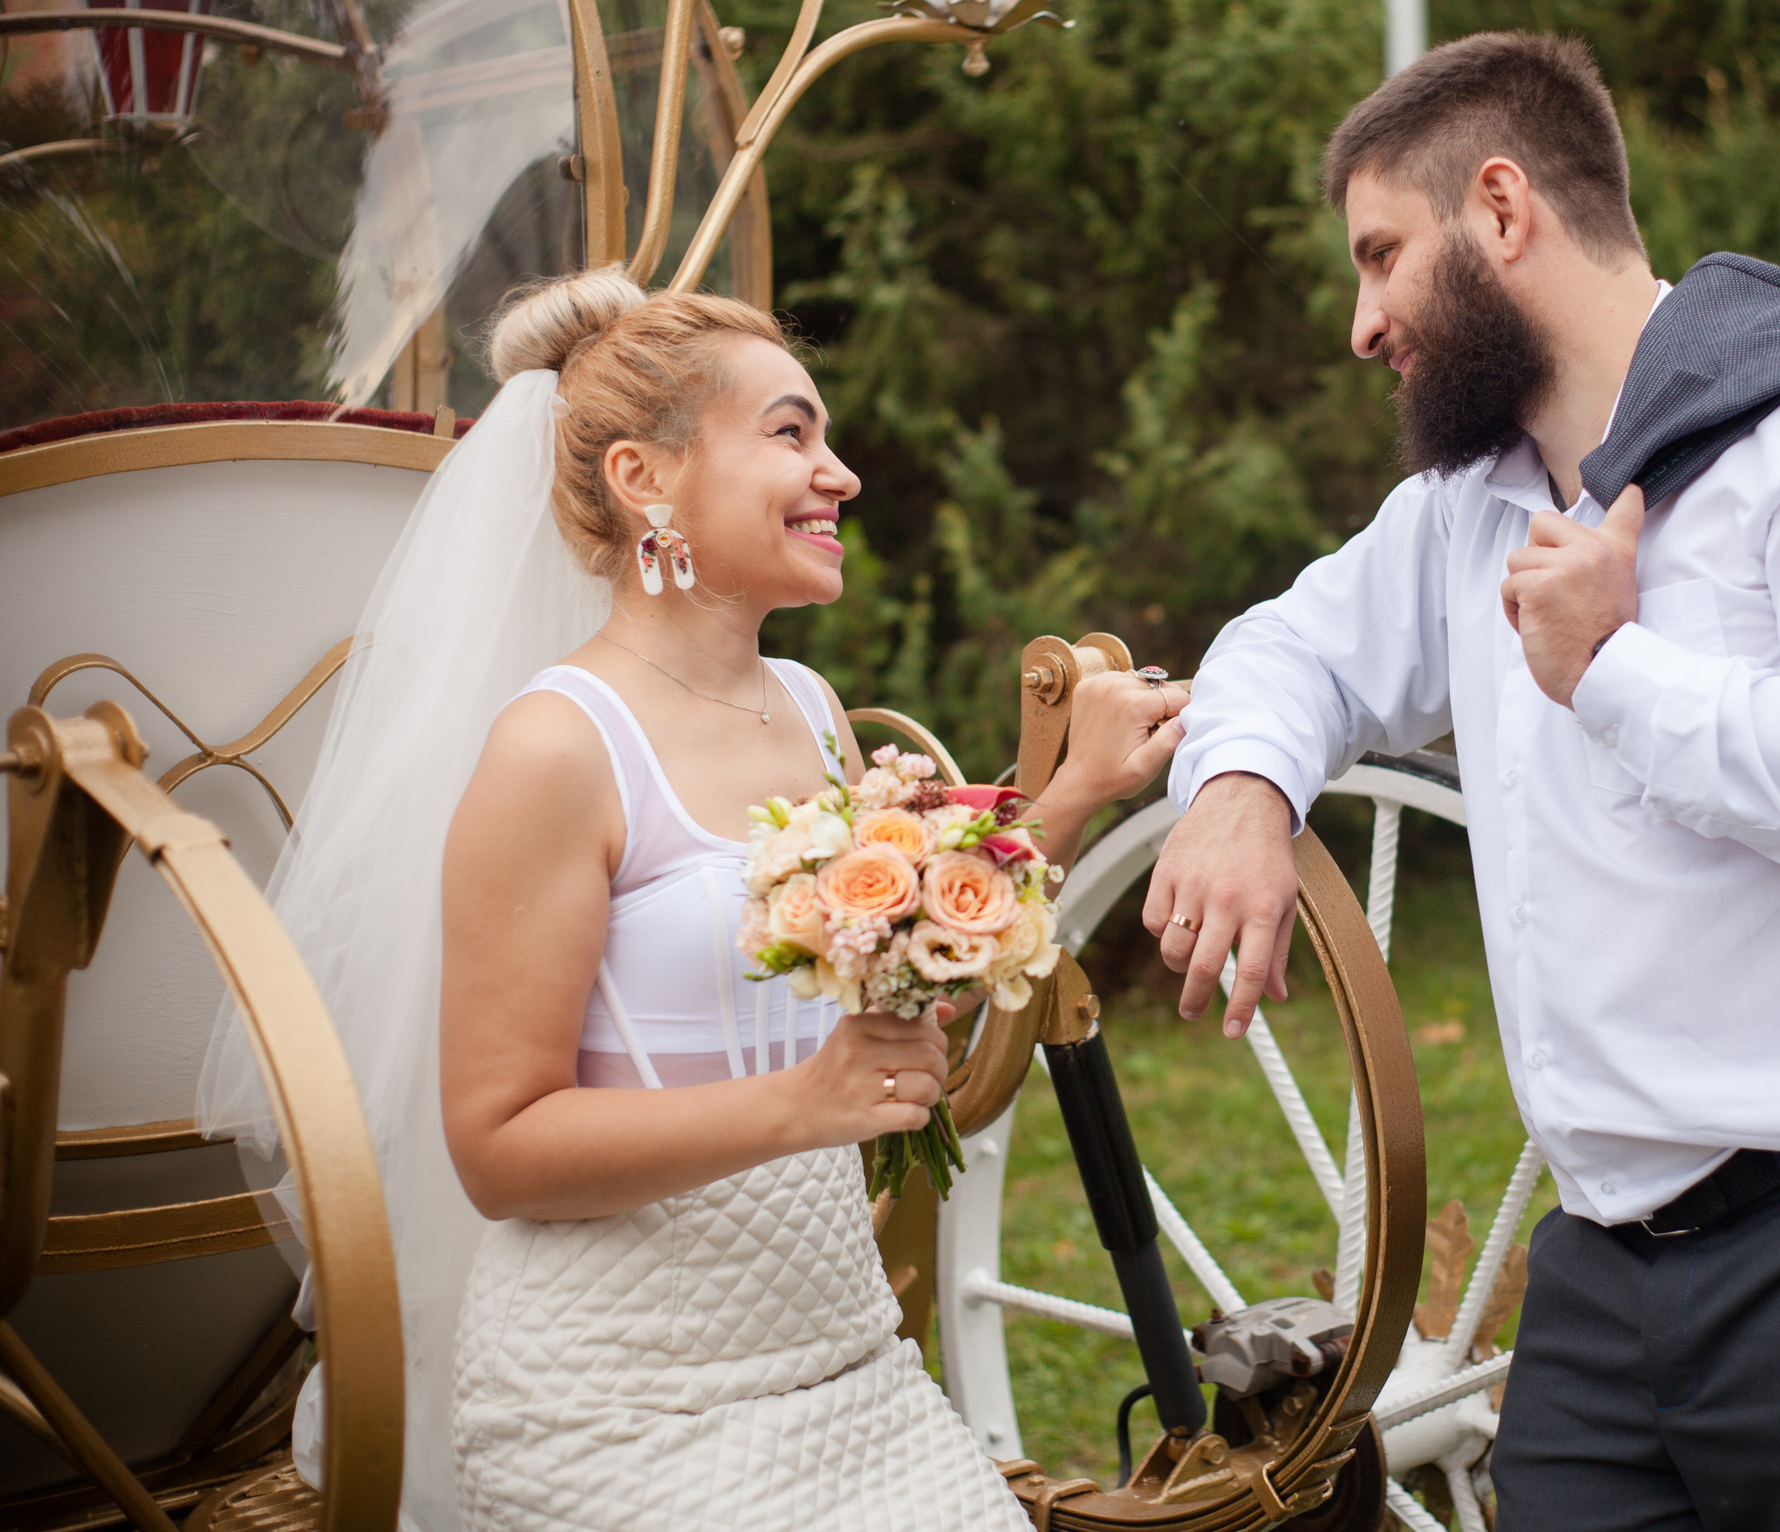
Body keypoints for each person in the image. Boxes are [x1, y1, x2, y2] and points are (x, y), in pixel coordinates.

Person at [1146, 32, 1780, 1530]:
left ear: (1504, 210)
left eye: (1383, 255)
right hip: (1601, 1283)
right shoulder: (1474, 508)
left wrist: (1619, 675)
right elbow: (1290, 646)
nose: (1362, 320)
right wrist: (1243, 789)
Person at [201, 269, 1188, 1531]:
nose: (842, 474)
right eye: (791, 433)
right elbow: (498, 1151)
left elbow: (912, 941)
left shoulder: (810, 712)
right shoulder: (559, 749)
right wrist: (801, 1103)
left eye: (824, 435)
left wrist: (1074, 791)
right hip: (620, 1405)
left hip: (846, 1364)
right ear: (642, 479)